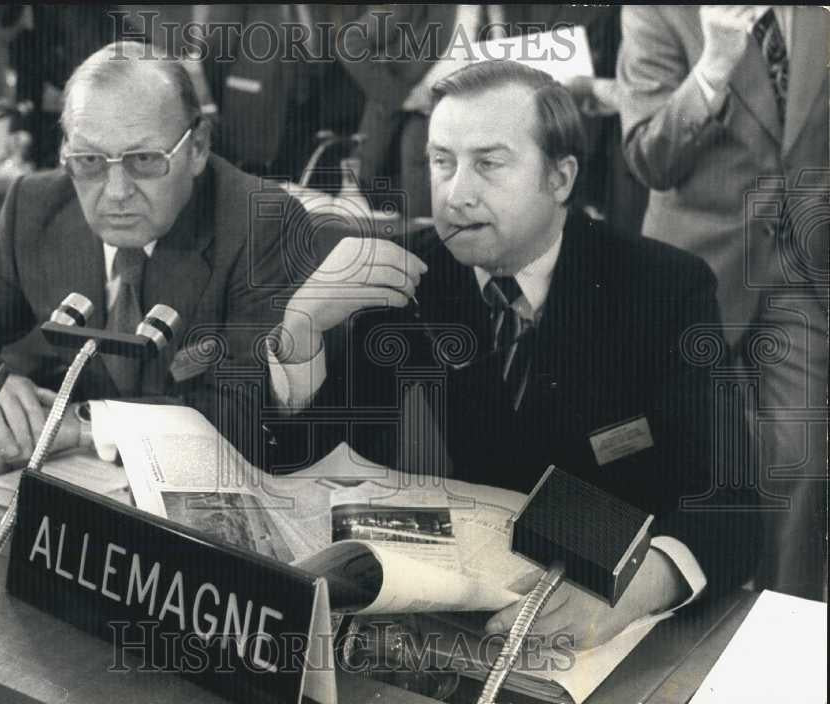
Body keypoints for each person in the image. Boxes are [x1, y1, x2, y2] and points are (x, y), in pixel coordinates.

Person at [268, 60, 759, 647]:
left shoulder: (663, 288)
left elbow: (732, 504)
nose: (456, 193)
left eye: (488, 164)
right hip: (440, 620)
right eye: (442, 162)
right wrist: (300, 331)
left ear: (560, 178)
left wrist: (638, 586)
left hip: (611, 628)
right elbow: (298, 464)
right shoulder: (401, 274)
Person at [0, 41, 312, 474]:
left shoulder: (261, 223)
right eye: (88, 160)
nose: (117, 191)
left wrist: (84, 426)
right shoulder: (34, 207)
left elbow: (246, 419)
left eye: (144, 159)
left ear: (197, 147)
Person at [617, 6, 828, 600]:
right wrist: (712, 67)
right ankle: (667, 626)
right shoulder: (658, 11)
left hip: (799, 272)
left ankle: (786, 637)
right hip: (691, 277)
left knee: (801, 465)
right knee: (681, 469)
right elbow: (648, 158)